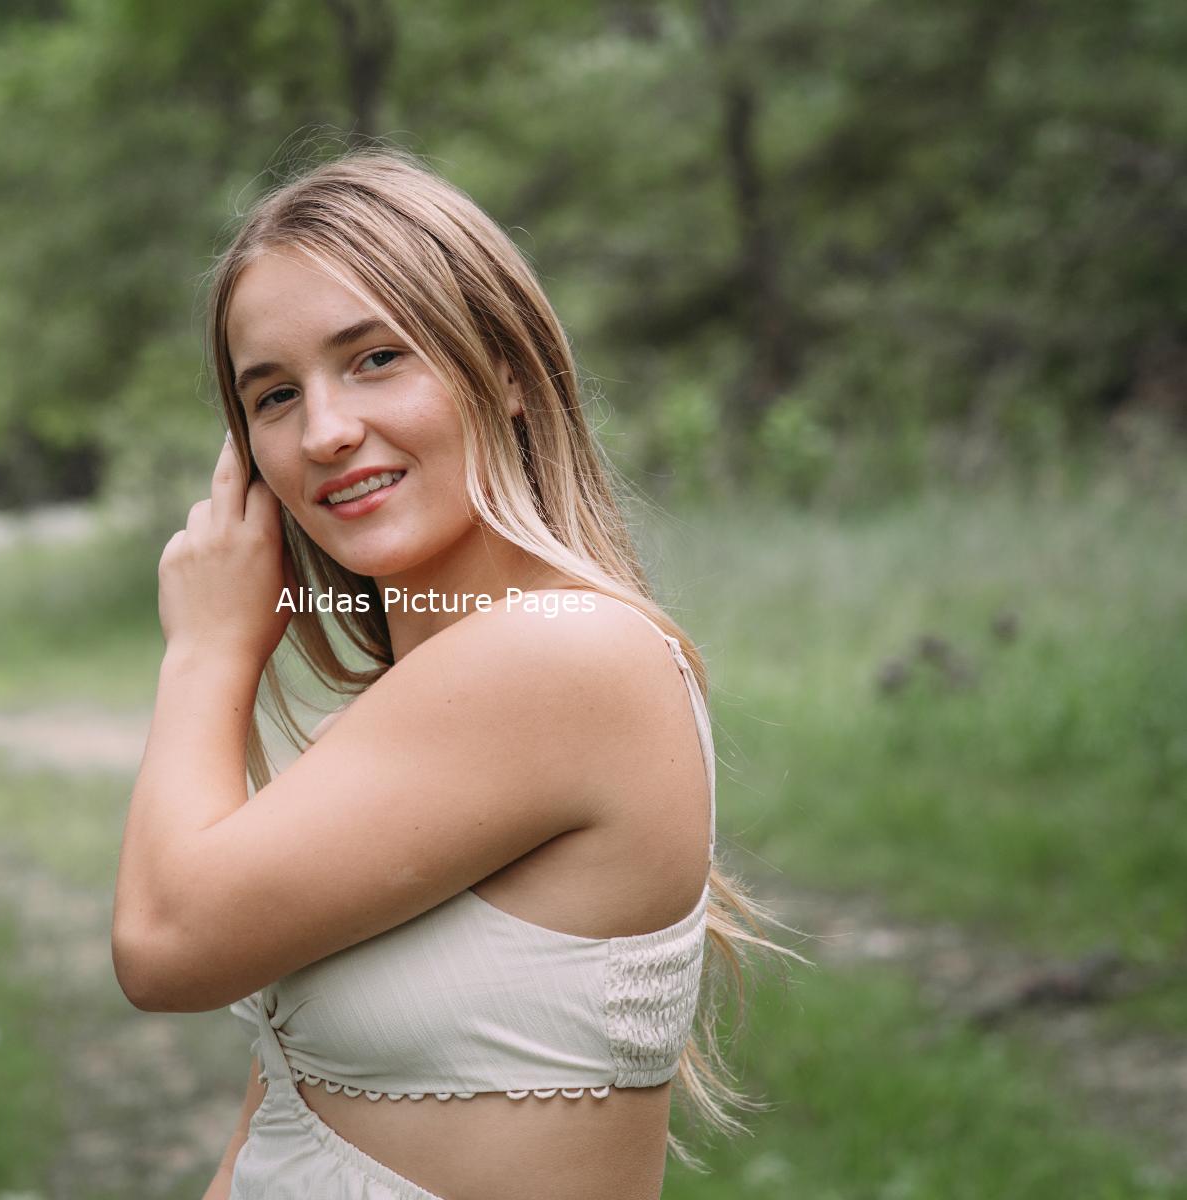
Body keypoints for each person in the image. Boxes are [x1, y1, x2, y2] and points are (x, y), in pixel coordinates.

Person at [112, 144, 806, 1200]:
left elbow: (164, 943)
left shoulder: (563, 656)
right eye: (275, 396)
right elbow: (285, 1106)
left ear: (510, 372)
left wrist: (207, 650)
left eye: (375, 358)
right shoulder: (407, 712)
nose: (326, 432)